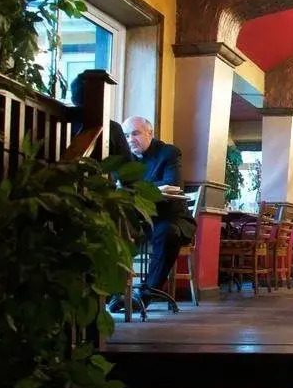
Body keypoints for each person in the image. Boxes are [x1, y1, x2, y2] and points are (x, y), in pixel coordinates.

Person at [122, 115, 197, 300]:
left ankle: (146, 295)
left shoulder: (168, 153)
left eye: (135, 133)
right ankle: (115, 295)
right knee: (113, 229)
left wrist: (135, 189)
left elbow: (173, 184)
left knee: (167, 233)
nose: (130, 139)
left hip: (170, 217)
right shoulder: (126, 159)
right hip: (141, 220)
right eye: (126, 136)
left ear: (150, 133)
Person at [68, 72, 133, 162]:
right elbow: (127, 165)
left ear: (73, 100)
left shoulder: (60, 122)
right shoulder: (112, 128)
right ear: (104, 98)